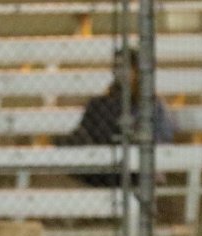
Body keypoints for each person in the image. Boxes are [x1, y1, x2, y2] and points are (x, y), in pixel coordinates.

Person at [54, 47, 176, 187]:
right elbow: (86, 132)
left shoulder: (151, 104)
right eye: (117, 66)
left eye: (126, 67)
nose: (120, 72)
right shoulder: (99, 103)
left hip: (134, 165)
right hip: (103, 162)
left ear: (136, 71)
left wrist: (136, 134)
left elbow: (162, 137)